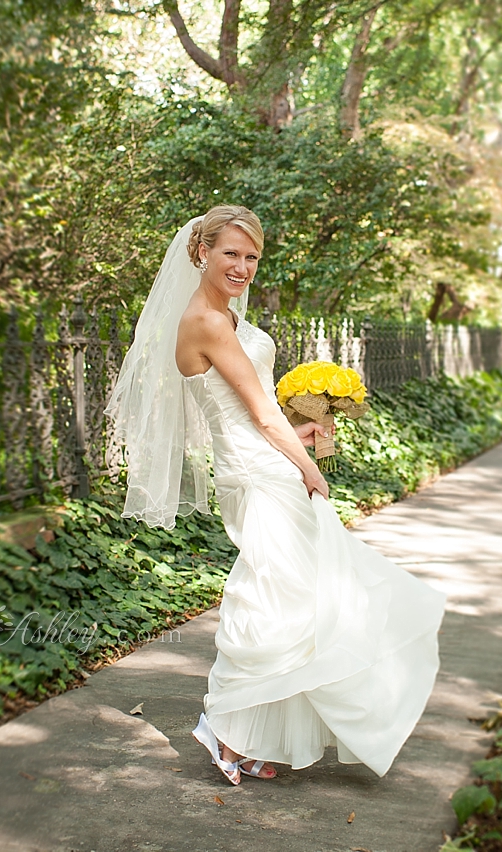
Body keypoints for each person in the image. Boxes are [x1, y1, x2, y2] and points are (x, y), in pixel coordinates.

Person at [105, 206, 445, 786]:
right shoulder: (207, 321)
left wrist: (303, 429)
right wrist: (308, 465)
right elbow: (260, 414)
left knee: (294, 596)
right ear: (201, 252)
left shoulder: (225, 315)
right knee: (273, 595)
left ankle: (250, 734)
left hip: (266, 462)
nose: (242, 266)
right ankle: (224, 725)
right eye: (231, 253)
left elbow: (255, 404)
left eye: (252, 256)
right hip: (257, 473)